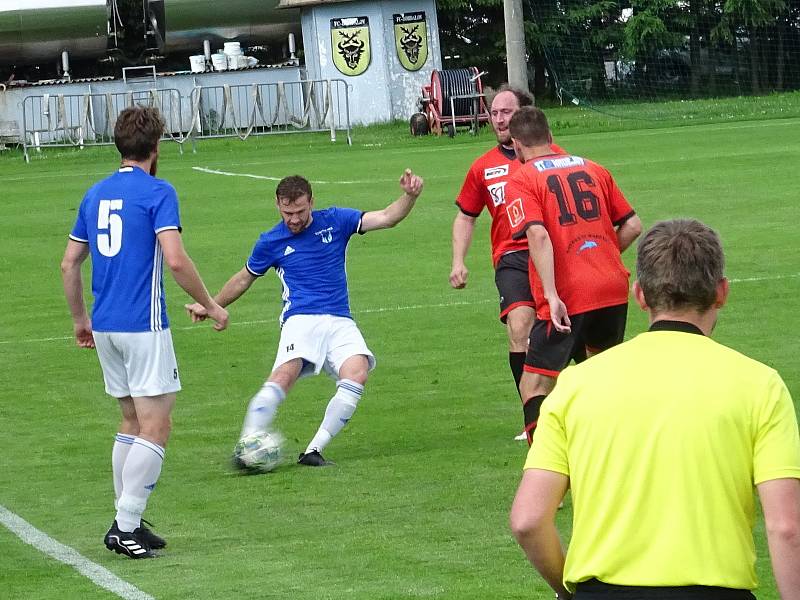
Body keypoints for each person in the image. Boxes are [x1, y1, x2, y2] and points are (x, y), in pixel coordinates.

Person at [509, 219, 800, 600]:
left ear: (640, 295)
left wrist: (569, 592)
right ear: (721, 292)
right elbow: (786, 527)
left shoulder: (576, 385)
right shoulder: (760, 385)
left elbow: (528, 520)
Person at [61, 106, 229, 559]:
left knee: (132, 422)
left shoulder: (94, 194)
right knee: (156, 425)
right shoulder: (158, 192)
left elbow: (69, 263)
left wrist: (80, 320)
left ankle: (126, 517)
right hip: (144, 325)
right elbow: (175, 259)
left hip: (106, 325)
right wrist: (213, 305)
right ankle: (126, 527)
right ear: (157, 148)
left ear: (119, 145)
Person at [186, 170, 424, 467]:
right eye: (288, 213)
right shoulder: (271, 241)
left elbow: (388, 217)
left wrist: (409, 196)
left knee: (358, 372)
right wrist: (210, 304)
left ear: (311, 202)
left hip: (339, 319)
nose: (294, 219)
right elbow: (244, 278)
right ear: (278, 206)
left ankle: (313, 450)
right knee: (285, 375)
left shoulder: (337, 221)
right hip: (300, 319)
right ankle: (247, 444)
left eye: (299, 211)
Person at [505, 106, 642, 444]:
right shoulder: (594, 168)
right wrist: (602, 256)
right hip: (612, 286)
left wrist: (551, 296)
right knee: (601, 379)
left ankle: (547, 474)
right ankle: (615, 456)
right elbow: (633, 225)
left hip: (568, 295)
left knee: (533, 384)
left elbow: (537, 235)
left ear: (517, 145)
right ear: (550, 138)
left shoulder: (521, 179)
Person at [450, 85, 577, 440]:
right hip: (513, 256)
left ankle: (562, 405)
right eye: (494, 112)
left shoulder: (557, 157)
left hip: (552, 253)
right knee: (520, 326)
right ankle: (531, 416)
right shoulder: (483, 167)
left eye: (506, 112)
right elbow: (466, 215)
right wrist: (458, 261)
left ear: (523, 115)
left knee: (562, 329)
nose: (500, 119)